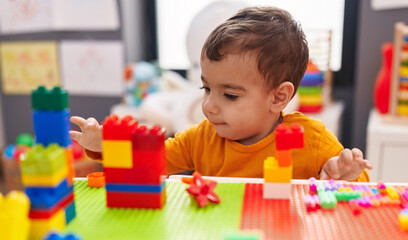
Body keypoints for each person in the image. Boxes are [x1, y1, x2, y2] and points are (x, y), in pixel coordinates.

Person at [70, 6, 372, 181]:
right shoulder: (201, 139)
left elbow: (360, 187)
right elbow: (150, 160)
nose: (209, 107)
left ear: (278, 98)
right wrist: (103, 147)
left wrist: (343, 175)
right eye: (206, 88)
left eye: (229, 96)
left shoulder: (311, 140)